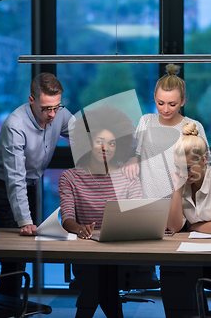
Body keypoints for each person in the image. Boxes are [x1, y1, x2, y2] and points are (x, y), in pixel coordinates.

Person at [0, 72, 72, 297]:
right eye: (46, 109)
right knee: (13, 260)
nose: (52, 114)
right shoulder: (15, 125)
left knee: (25, 254)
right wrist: (24, 220)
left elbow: (84, 132)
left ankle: (13, 306)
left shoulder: (58, 114)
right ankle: (8, 310)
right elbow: (15, 177)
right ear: (31, 100)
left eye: (57, 107)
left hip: (31, 187)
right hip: (2, 191)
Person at [59, 107, 142, 318]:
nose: (106, 147)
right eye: (100, 141)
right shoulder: (70, 177)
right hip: (85, 253)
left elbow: (140, 213)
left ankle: (83, 314)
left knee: (102, 271)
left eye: (112, 143)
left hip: (122, 252)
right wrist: (80, 229)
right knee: (102, 273)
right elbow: (67, 219)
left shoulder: (127, 175)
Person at [161, 122, 211, 318]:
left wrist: (193, 226)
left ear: (204, 160)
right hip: (192, 255)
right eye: (178, 167)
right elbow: (173, 227)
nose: (183, 173)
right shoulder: (182, 180)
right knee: (170, 269)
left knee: (181, 273)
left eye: (188, 167)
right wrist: (177, 188)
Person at [122, 63, 209, 199]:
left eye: (172, 104)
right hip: (148, 200)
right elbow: (134, 154)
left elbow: (204, 166)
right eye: (160, 103)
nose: (166, 109)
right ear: (155, 97)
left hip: (182, 201)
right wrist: (132, 160)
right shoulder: (146, 121)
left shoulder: (194, 126)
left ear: (183, 101)